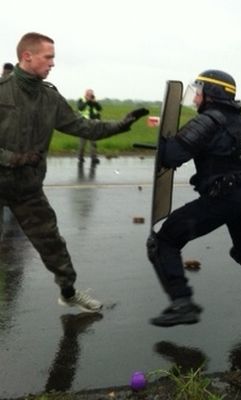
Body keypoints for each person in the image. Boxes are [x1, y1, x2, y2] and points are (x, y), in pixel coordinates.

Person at [0, 32, 148, 312]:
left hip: (27, 190)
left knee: (53, 244)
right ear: (27, 56)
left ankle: (68, 293)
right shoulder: (1, 91)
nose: (53, 63)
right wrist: (13, 158)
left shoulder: (50, 98)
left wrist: (122, 124)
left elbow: (84, 127)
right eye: (49, 57)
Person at [148, 69, 241, 327]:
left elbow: (172, 157)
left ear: (211, 94)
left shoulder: (209, 121)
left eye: (198, 93)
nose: (195, 99)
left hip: (222, 198)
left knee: (163, 241)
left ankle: (182, 303)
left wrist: (165, 144)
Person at [77, 89, 102, 164]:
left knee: (93, 142)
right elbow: (80, 108)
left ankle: (94, 158)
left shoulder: (94, 101)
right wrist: (87, 101)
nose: (91, 96)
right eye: (89, 94)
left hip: (93, 123)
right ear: (86, 94)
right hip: (83, 123)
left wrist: (95, 103)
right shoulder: (81, 99)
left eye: (92, 94)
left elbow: (99, 109)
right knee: (83, 142)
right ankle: (80, 157)